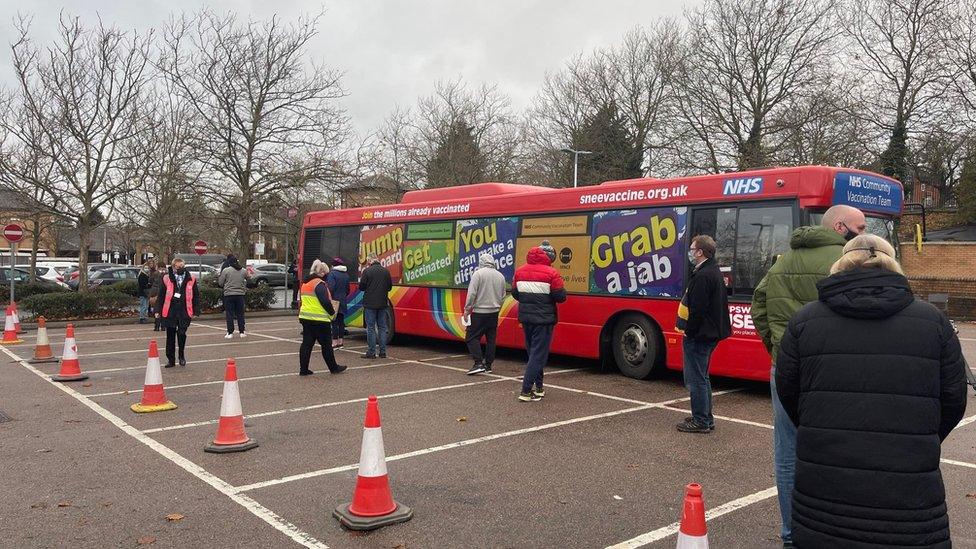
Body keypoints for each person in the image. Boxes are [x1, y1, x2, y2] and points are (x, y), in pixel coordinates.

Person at [775, 234, 967, 548]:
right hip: (908, 497)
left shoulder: (804, 321)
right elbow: (953, 399)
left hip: (825, 493)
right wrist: (916, 438)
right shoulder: (933, 322)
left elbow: (790, 394)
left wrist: (823, 428)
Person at [751, 204, 866, 548]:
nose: (865, 234)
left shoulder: (784, 260)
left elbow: (759, 305)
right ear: (840, 227)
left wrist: (777, 350)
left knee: (787, 456)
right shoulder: (850, 261)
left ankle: (791, 535)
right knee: (839, 452)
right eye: (861, 228)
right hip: (835, 370)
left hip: (785, 367)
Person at [675, 235, 730, 433]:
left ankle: (700, 421)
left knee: (696, 378)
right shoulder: (712, 270)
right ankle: (706, 417)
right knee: (703, 376)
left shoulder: (703, 275)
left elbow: (697, 310)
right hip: (710, 333)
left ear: (700, 252)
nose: (690, 252)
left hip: (699, 335)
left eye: (692, 249)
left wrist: (689, 332)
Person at [511, 240, 566, 402]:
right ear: (547, 257)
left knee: (533, 354)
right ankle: (526, 391)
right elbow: (561, 297)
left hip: (526, 319)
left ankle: (540, 388)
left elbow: (515, 293)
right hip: (544, 320)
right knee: (538, 356)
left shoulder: (519, 272)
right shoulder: (552, 273)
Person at [298, 259, 346, 376]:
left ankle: (303, 369)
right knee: (326, 346)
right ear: (323, 273)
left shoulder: (306, 283)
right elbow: (324, 301)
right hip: (319, 319)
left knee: (306, 344)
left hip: (306, 317)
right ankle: (333, 368)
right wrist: (331, 313)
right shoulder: (319, 284)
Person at [463, 253, 507, 375]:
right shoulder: (500, 276)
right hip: (494, 313)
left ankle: (478, 363)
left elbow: (472, 293)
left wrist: (467, 310)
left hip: (479, 312)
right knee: (491, 339)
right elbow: (503, 296)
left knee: (471, 337)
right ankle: (488, 365)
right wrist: (498, 308)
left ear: (481, 262)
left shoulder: (478, 274)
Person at [155, 258, 201, 368]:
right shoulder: (166, 278)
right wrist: (157, 310)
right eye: (177, 266)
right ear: (173, 266)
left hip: (185, 311)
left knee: (181, 334)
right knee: (170, 336)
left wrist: (196, 310)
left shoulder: (191, 278)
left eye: (181, 266)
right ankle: (171, 359)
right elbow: (161, 296)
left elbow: (196, 296)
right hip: (170, 311)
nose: (180, 268)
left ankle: (181, 356)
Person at [359, 252, 392, 359]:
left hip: (370, 304)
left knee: (371, 328)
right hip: (383, 303)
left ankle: (371, 352)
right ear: (377, 259)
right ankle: (383, 352)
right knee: (382, 327)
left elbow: (362, 287)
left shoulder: (367, 271)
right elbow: (389, 287)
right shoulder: (386, 271)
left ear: (369, 260)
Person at [218, 255, 248, 339]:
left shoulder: (226, 270)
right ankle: (242, 332)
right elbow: (249, 278)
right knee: (240, 314)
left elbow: (220, 282)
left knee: (229, 314)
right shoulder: (243, 270)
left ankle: (230, 332)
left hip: (229, 295)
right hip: (240, 295)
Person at [325, 257, 350, 349]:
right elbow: (348, 290)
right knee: (341, 322)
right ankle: (341, 342)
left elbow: (331, 287)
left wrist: (329, 296)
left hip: (334, 300)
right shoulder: (346, 275)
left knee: (334, 322)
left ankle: (334, 342)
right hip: (343, 300)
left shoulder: (332, 274)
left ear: (333, 265)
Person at [137, 259, 155, 324]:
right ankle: (142, 317)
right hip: (143, 292)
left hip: (146, 293)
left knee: (146, 305)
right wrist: (148, 285)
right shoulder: (142, 275)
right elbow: (142, 285)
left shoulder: (147, 275)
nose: (147, 269)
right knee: (143, 305)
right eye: (146, 268)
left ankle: (144, 317)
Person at [150, 261, 165, 332]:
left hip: (156, 294)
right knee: (163, 311)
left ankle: (157, 325)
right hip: (164, 295)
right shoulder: (167, 274)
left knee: (157, 311)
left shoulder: (155, 274)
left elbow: (151, 281)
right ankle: (163, 326)